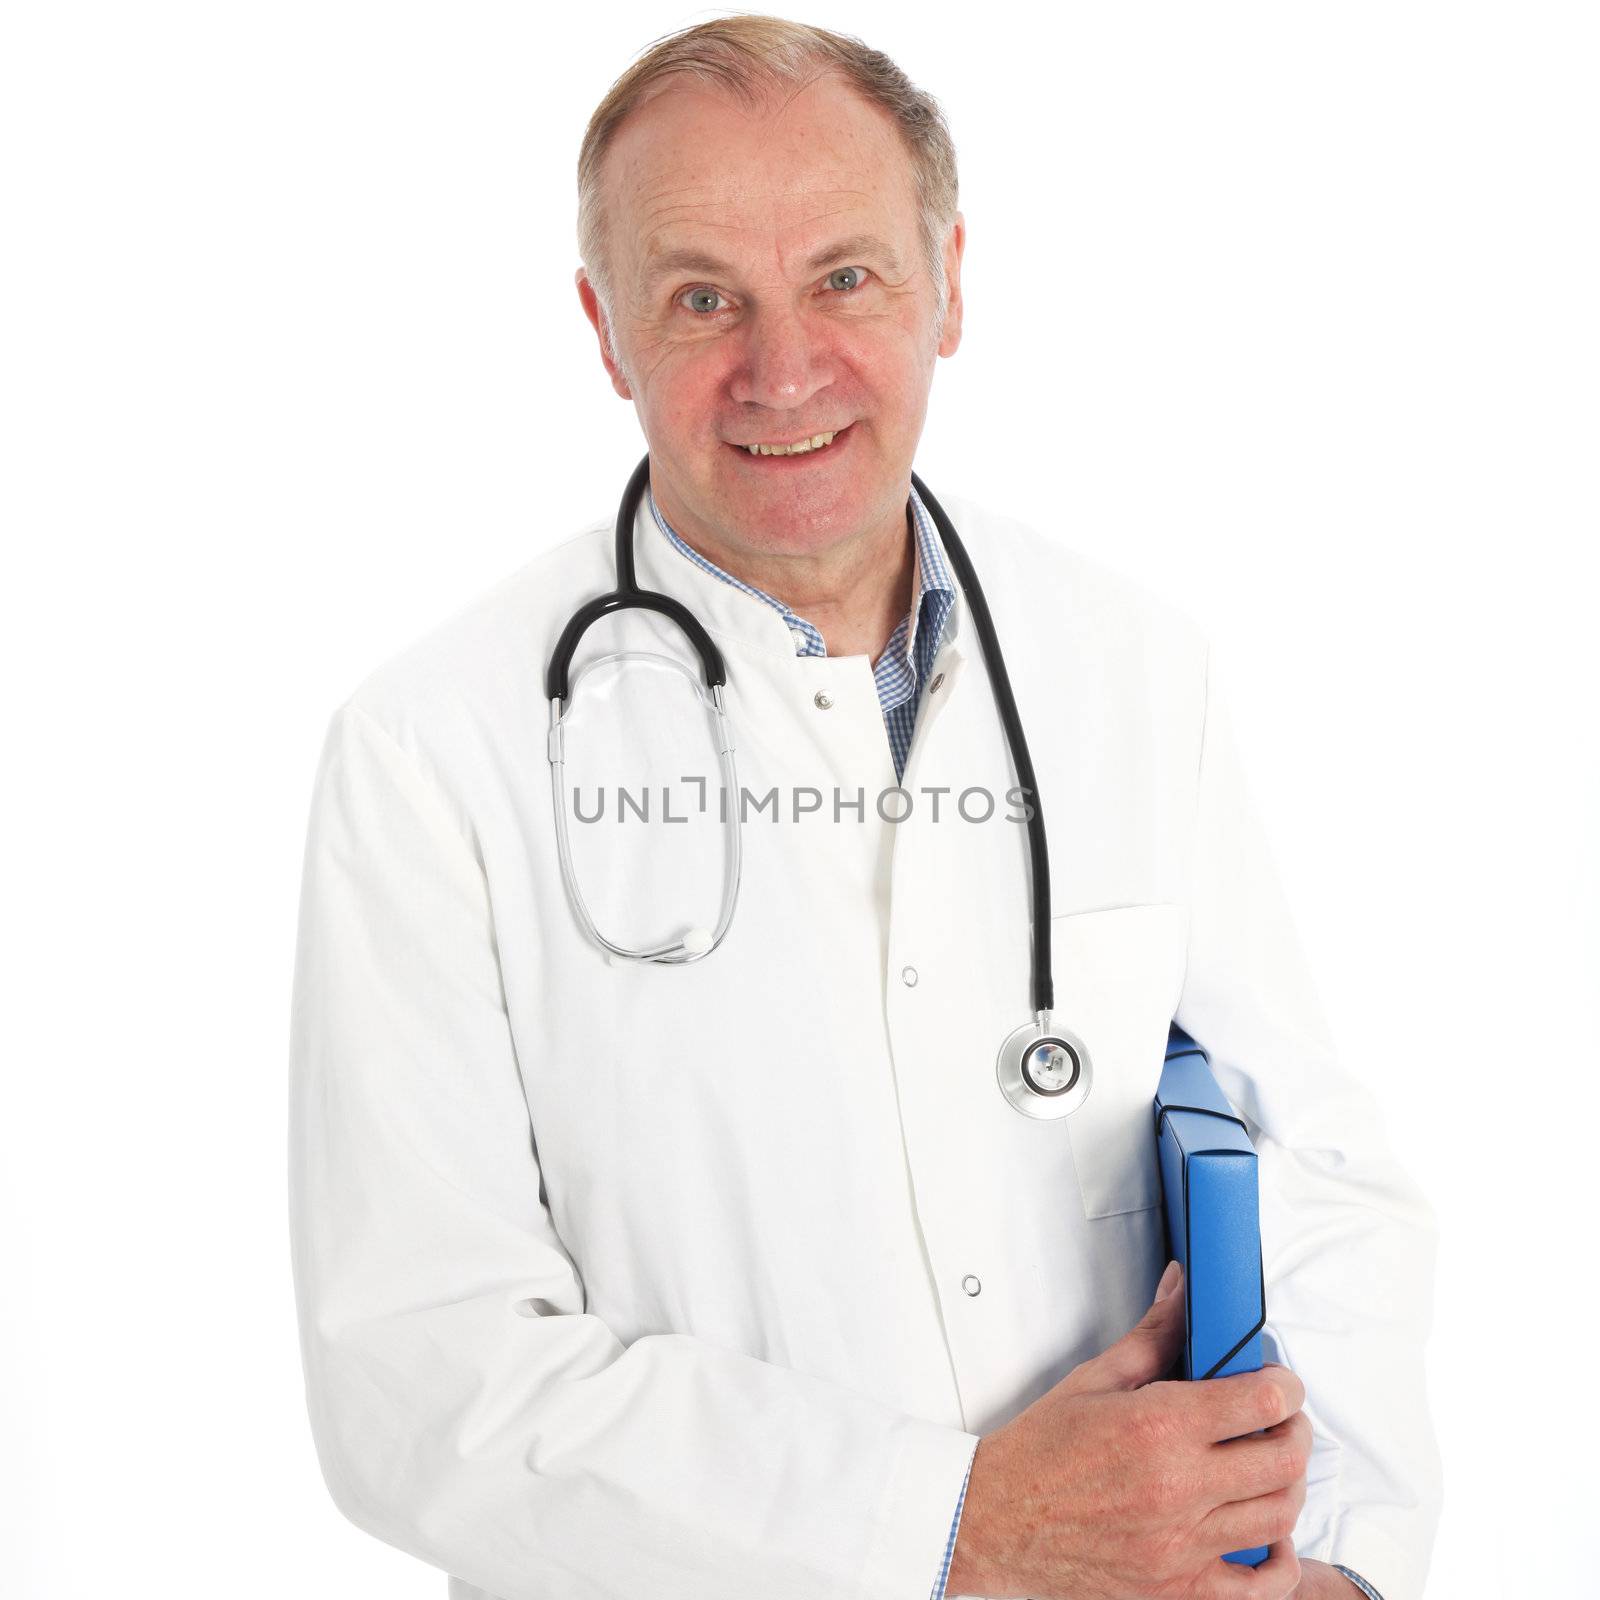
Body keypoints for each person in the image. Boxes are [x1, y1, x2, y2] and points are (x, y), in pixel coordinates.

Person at [287, 17, 1441, 1600]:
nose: (784, 369)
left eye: (846, 278)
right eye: (704, 299)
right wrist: (945, 1526)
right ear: (604, 331)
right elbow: (422, 1382)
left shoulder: (1127, 665)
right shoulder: (431, 753)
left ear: (949, 284)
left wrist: (1342, 1567)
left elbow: (1309, 1168)